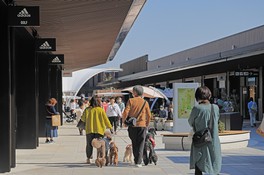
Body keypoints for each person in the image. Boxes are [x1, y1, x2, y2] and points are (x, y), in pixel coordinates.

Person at [188, 86, 222, 175]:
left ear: (197, 97)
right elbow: (217, 120)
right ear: (209, 96)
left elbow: (190, 122)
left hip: (201, 140)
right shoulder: (215, 108)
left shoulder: (197, 108)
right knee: (214, 165)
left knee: (198, 164)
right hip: (213, 140)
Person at [122, 85, 152, 167]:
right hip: (142, 125)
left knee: (134, 143)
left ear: (135, 92)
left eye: (132, 91)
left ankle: (137, 160)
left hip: (132, 126)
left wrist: (124, 122)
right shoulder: (145, 102)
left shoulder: (131, 101)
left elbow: (125, 112)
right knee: (141, 143)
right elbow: (149, 115)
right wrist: (147, 124)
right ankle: (138, 162)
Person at [81, 96, 112, 164]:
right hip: (99, 130)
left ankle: (89, 158)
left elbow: (83, 119)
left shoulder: (87, 110)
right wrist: (110, 127)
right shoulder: (100, 110)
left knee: (89, 144)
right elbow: (106, 119)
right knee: (100, 145)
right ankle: (100, 158)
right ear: (98, 102)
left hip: (89, 130)